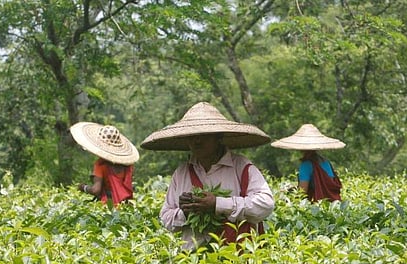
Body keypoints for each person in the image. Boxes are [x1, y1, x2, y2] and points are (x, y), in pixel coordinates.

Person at [141, 102, 275, 251]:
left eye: (204, 136)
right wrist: (185, 212)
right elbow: (166, 218)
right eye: (192, 136)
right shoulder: (182, 173)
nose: (197, 141)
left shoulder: (241, 167)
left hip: (236, 258)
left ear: (218, 137)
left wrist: (218, 204)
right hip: (192, 261)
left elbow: (265, 204)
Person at [271, 124, 345, 202]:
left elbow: (302, 192)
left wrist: (288, 193)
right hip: (334, 204)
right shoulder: (326, 162)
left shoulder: (306, 165)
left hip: (319, 206)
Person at [70, 122, 139, 205]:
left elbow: (96, 190)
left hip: (109, 204)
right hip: (127, 204)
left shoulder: (101, 165)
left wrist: (84, 187)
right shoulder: (128, 164)